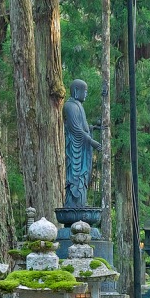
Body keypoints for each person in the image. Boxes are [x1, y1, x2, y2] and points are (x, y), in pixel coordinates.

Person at [64, 78, 102, 209]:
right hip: (75, 149)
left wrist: (91, 128)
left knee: (83, 177)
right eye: (84, 91)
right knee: (75, 178)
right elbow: (75, 129)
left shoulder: (79, 106)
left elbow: (83, 127)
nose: (86, 94)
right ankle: (73, 204)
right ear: (76, 91)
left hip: (82, 148)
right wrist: (91, 141)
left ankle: (80, 203)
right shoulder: (70, 106)